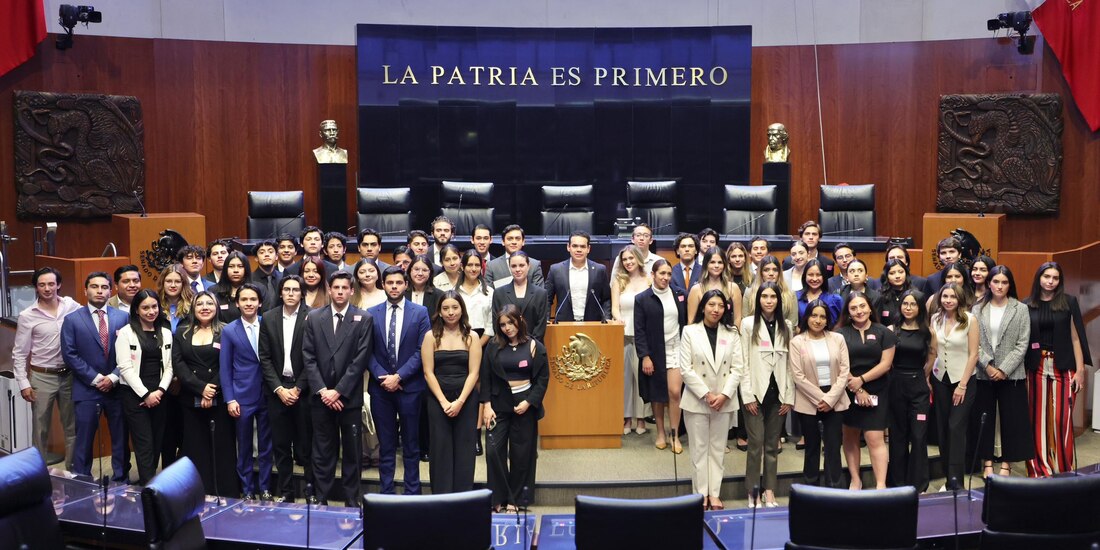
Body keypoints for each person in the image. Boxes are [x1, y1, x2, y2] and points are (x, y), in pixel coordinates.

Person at [303, 271, 374, 506]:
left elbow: (360, 359)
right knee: (323, 451)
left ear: (351, 291)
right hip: (321, 398)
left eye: (345, 288)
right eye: (337, 288)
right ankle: (321, 499)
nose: (341, 291)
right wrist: (324, 391)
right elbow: (308, 357)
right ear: (330, 290)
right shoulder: (314, 317)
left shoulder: (363, 318)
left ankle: (351, 500)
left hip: (348, 398)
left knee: (352, 453)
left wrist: (339, 391)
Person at [367, 266, 432, 495]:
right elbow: (367, 351)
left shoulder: (420, 312)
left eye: (398, 283)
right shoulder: (371, 312)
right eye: (389, 283)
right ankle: (385, 493)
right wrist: (383, 377)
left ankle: (412, 492)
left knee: (411, 445)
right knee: (386, 445)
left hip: (410, 387)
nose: (394, 286)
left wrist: (399, 376)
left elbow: (421, 349)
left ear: (406, 285)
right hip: (380, 388)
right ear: (383, 285)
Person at [1024, 262, 1091, 477]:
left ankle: (1064, 471)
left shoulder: (1068, 302)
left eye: (1055, 278)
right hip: (1037, 365)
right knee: (1037, 419)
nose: (1050, 281)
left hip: (1064, 365)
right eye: (1046, 277)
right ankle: (1039, 470)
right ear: (1039, 278)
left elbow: (1075, 338)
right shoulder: (1028, 304)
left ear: (1059, 281)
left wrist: (1080, 371)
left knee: (1062, 419)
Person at [481, 305, 549, 512]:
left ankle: (516, 499)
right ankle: (498, 497)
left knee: (522, 455)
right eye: (502, 324)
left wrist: (529, 402)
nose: (507, 328)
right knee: (493, 452)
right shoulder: (493, 346)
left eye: (511, 322)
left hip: (525, 405)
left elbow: (543, 379)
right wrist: (486, 406)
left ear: (520, 320)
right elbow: (486, 377)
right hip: (498, 406)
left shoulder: (534, 346)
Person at [679, 289, 744, 510]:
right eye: (711, 305)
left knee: (717, 449)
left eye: (720, 305)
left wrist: (724, 394)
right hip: (698, 399)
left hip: (724, 400)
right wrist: (707, 395)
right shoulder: (689, 331)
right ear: (703, 307)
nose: (716, 310)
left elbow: (738, 368)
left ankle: (714, 493)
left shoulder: (732, 333)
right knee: (698, 450)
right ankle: (700, 494)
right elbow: (685, 369)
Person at [60, 270, 128, 481]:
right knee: (84, 440)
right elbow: (70, 354)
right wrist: (98, 379)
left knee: (120, 438)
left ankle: (121, 479)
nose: (100, 291)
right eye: (95, 287)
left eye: (104, 287)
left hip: (117, 388)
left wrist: (114, 377)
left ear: (111, 290)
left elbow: (131, 352)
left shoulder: (122, 317)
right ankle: (82, 481)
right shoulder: (72, 320)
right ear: (85, 290)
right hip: (87, 389)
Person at [14, 267, 82, 470]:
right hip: (41, 376)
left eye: (51, 284)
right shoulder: (28, 315)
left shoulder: (71, 305)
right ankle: (39, 475)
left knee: (73, 427)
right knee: (40, 430)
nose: (47, 288)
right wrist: (23, 383)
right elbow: (19, 353)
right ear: (36, 287)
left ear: (58, 285)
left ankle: (73, 473)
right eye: (42, 284)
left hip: (69, 375)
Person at [172, 291, 238, 497]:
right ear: (193, 308)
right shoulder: (182, 332)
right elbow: (178, 364)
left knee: (222, 447)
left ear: (217, 307)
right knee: (194, 447)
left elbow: (230, 364)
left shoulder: (226, 331)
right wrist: (201, 389)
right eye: (199, 303)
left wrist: (211, 390)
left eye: (210, 303)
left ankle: (225, 492)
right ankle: (197, 492)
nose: (204, 307)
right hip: (190, 398)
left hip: (220, 398)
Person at [258, 275, 315, 503]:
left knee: (307, 446)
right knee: (281, 447)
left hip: (304, 390)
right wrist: (279, 389)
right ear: (280, 293)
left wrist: (298, 388)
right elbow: (265, 358)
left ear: (302, 293)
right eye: (287, 290)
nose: (291, 293)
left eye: (295, 290)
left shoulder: (313, 316)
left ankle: (311, 492)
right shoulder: (269, 318)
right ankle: (287, 493)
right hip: (277, 391)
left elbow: (313, 358)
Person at [974, 265, 1033, 478]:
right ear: (989, 283)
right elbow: (975, 344)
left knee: (1012, 419)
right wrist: (988, 366)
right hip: (984, 372)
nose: (999, 286)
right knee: (985, 418)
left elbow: (1022, 344)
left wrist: (1004, 369)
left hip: (1011, 374)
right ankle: (987, 462)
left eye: (1004, 282)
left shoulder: (1021, 309)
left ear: (1010, 284)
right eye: (996, 281)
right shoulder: (977, 308)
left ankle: (1006, 464)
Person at [422, 291, 482, 493]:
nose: (450, 312)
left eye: (455, 308)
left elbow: (474, 373)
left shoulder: (472, 336)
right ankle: (441, 496)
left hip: (465, 397)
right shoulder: (430, 336)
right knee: (440, 449)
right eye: (445, 308)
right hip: (437, 398)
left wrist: (459, 402)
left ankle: (463, 495)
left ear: (462, 310)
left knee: (465, 448)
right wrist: (444, 402)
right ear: (439, 311)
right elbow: (428, 372)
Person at [741, 282, 794, 507]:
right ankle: (753, 491)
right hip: (755, 393)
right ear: (758, 299)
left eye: (773, 297)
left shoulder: (787, 325)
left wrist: (789, 396)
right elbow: (742, 361)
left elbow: (791, 364)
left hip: (778, 395)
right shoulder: (746, 325)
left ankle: (769, 490)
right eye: (765, 296)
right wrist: (747, 395)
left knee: (772, 445)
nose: (769, 300)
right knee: (755, 444)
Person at [836, 291, 896, 490]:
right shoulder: (840, 334)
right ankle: (855, 479)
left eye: (862, 306)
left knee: (874, 438)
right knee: (850, 436)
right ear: (848, 312)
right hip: (848, 389)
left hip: (877, 389)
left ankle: (880, 484)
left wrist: (861, 381)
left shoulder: (884, 332)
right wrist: (856, 388)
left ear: (870, 307)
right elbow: (839, 365)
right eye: (853, 308)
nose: (859, 311)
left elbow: (886, 364)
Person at [219, 283, 274, 500]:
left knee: (266, 445)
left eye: (253, 299)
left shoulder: (268, 323)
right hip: (242, 395)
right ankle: (247, 489)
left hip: (268, 393)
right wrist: (230, 399)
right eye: (244, 300)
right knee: (243, 447)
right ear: (237, 303)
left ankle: (266, 487)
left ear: (260, 303)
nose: (249, 303)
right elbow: (225, 368)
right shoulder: (229, 330)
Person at [788, 299, 850, 488]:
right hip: (808, 400)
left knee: (833, 447)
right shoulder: (797, 341)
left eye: (822, 316)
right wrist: (820, 398)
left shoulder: (837, 338)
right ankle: (810, 489)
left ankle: (835, 490)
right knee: (812, 447)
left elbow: (845, 370)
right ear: (807, 317)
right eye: (814, 315)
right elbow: (797, 376)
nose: (818, 320)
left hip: (835, 397)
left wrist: (830, 398)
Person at [116, 289, 174, 485]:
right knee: (144, 444)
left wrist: (160, 391)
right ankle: (148, 487)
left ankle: (152, 483)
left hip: (160, 395)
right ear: (137, 310)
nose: (151, 311)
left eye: (154, 307)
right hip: (135, 395)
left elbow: (170, 366)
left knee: (157, 442)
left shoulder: (165, 333)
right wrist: (145, 394)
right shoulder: (126, 333)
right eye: (145, 307)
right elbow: (124, 367)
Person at [929, 283, 979, 490]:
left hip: (963, 380)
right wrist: (926, 377)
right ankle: (948, 477)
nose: (948, 300)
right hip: (940, 379)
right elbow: (933, 351)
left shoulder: (970, 320)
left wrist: (963, 385)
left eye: (952, 296)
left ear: (960, 299)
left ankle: (956, 482)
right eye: (945, 296)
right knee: (942, 429)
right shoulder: (935, 318)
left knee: (955, 428)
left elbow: (974, 354)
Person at [634, 260, 687, 454]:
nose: (665, 278)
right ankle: (660, 433)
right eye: (661, 274)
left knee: (674, 392)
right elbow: (639, 330)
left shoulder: (680, 294)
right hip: (655, 351)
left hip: (677, 349)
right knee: (657, 394)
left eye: (668, 274)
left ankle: (674, 434)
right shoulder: (642, 298)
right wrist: (645, 356)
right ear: (653, 274)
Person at [887, 290, 934, 492]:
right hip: (896, 386)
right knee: (898, 436)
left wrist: (923, 376)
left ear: (920, 307)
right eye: (905, 304)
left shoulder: (928, 332)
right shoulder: (891, 330)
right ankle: (897, 483)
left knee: (918, 435)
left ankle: (918, 484)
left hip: (919, 389)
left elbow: (932, 357)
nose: (908, 307)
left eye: (913, 304)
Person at [455, 249, 494, 456]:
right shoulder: (455, 291)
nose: (473, 269)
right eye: (469, 265)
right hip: (457, 344)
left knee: (479, 389)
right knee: (461, 387)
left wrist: (477, 345)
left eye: (476, 265)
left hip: (483, 343)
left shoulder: (489, 292)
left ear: (482, 267)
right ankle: (461, 432)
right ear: (462, 266)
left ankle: (476, 434)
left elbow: (491, 326)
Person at [611, 245, 651, 436]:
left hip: (645, 335)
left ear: (638, 259)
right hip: (624, 334)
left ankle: (642, 418)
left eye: (631, 259)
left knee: (641, 377)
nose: (628, 262)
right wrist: (617, 318)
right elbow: (615, 307)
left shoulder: (649, 280)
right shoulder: (619, 281)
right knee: (626, 378)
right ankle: (626, 418)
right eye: (625, 259)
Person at [545, 230, 611, 322]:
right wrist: (546, 319)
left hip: (593, 324)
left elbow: (606, 298)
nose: (579, 250)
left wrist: (607, 318)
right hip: (564, 324)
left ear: (588, 249)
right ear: (568, 247)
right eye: (575, 246)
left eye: (583, 246)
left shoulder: (599, 270)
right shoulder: (556, 270)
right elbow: (547, 298)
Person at [491, 251, 548, 342]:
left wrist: (530, 346)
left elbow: (540, 326)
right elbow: (496, 323)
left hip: (533, 347)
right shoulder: (499, 293)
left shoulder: (540, 293)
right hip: (506, 346)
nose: (517, 269)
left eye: (521, 265)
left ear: (528, 266)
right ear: (509, 268)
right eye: (513, 266)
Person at [687, 247, 744, 327]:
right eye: (712, 262)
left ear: (724, 265)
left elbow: (737, 318)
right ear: (706, 264)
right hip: (702, 335)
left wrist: (735, 336)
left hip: (728, 335)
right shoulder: (696, 289)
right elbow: (691, 320)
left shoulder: (733, 288)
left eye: (720, 262)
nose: (716, 266)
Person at [743, 255, 797, 327]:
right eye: (766, 270)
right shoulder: (749, 292)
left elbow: (792, 324)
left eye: (775, 270)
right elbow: (745, 321)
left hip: (782, 335)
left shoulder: (790, 293)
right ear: (760, 273)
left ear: (779, 273)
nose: (771, 274)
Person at [485, 225, 545, 289]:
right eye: (510, 239)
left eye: (517, 239)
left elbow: (539, 295)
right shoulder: (492, 266)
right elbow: (489, 295)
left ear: (523, 242)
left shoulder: (534, 265)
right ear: (503, 242)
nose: (514, 242)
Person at [211, 251, 252, 323]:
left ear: (246, 269)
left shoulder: (258, 289)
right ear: (225, 269)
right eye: (231, 266)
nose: (236, 270)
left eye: (240, 266)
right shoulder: (213, 291)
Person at [876, 259, 915, 329]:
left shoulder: (914, 294)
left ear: (906, 273)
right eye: (892, 273)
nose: (897, 276)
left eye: (901, 272)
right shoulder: (879, 295)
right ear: (886, 276)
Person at [158, 264, 193, 333]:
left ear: (183, 284)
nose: (173, 285)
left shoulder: (192, 307)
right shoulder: (155, 306)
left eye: (177, 281)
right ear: (162, 283)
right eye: (168, 281)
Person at [407, 256, 443, 321]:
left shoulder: (439, 295)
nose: (420, 273)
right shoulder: (402, 293)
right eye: (416, 269)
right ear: (410, 271)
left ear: (430, 273)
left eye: (424, 270)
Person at [252, 240, 282, 311]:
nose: (266, 255)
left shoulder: (283, 278)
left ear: (277, 256)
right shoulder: (249, 279)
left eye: (270, 252)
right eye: (262, 252)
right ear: (256, 258)